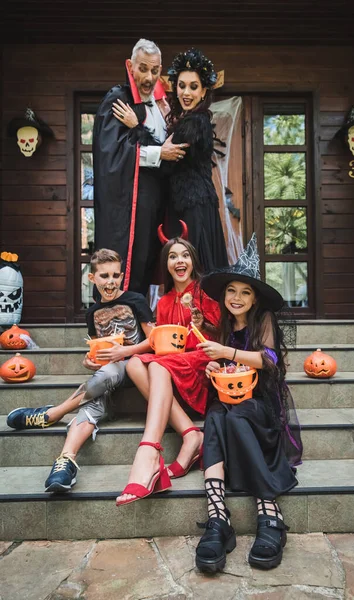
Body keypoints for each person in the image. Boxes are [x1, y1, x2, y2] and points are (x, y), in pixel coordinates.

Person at [194, 234, 303, 573]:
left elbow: (268, 360)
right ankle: (217, 516)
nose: (237, 297)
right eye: (231, 291)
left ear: (255, 299)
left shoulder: (264, 321)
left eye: (245, 292)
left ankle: (269, 512)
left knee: (238, 418)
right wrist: (216, 365)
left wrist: (227, 353)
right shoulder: (224, 326)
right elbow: (229, 368)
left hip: (262, 403)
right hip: (229, 397)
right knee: (214, 418)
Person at [6, 249, 155, 492]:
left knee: (108, 373)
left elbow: (153, 341)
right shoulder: (92, 313)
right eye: (104, 276)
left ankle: (53, 413)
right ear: (92, 278)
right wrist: (89, 361)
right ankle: (66, 461)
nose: (110, 282)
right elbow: (98, 348)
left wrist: (123, 353)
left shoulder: (135, 300)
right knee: (95, 400)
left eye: (116, 276)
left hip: (138, 368)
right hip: (107, 376)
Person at [116, 236, 220, 506]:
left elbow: (222, 336)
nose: (179, 261)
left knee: (158, 363)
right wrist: (126, 351)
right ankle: (190, 433)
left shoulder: (205, 292)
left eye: (184, 255)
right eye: (173, 257)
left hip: (202, 362)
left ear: (193, 261)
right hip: (173, 363)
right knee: (135, 363)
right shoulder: (163, 302)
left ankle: (149, 450)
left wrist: (203, 322)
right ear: (167, 265)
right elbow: (158, 343)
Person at [115, 47, 228, 272]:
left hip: (193, 208)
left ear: (204, 92)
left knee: (194, 272)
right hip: (186, 205)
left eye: (194, 87)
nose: (186, 92)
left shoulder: (195, 123)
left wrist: (136, 126)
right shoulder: (187, 120)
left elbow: (166, 162)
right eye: (182, 85)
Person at [94, 38, 188, 295]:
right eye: (143, 68)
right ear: (130, 65)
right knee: (127, 265)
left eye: (155, 70)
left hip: (156, 200)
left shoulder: (162, 105)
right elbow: (111, 153)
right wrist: (160, 153)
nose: (148, 77)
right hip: (129, 202)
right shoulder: (119, 98)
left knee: (148, 264)